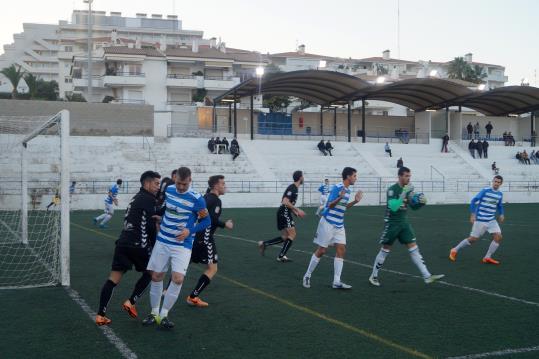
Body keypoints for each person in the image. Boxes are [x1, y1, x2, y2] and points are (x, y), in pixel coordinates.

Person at [142, 167, 211, 329]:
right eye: (179, 183)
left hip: (182, 245)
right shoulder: (170, 190)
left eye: (184, 184)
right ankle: (153, 313)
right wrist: (163, 217)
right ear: (175, 180)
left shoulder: (197, 199)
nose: (181, 187)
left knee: (178, 279)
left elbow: (206, 221)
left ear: (190, 181)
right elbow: (170, 209)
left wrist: (189, 231)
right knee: (156, 276)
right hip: (163, 240)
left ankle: (164, 314)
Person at [95, 171, 161, 326]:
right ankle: (131, 302)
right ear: (147, 183)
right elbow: (151, 226)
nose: (158, 187)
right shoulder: (149, 199)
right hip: (139, 244)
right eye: (156, 183)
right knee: (153, 274)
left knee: (113, 279)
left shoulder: (136, 198)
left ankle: (100, 315)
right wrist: (157, 245)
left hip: (123, 243)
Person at [368, 167, 445, 287]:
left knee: (414, 248)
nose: (408, 178)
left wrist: (420, 203)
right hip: (392, 223)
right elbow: (393, 207)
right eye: (406, 176)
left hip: (404, 223)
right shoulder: (392, 190)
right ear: (400, 176)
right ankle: (374, 276)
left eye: (409, 176)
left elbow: (413, 207)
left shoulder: (408, 190)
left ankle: (427, 276)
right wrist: (405, 192)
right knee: (385, 250)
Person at [302, 167, 363, 290]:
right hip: (328, 222)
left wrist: (355, 201)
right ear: (348, 176)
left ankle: (336, 281)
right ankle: (307, 275)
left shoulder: (348, 190)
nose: (356, 178)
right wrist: (340, 197)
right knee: (321, 251)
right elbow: (329, 205)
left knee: (341, 250)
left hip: (339, 225)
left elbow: (343, 208)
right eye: (355, 176)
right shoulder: (337, 187)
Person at [186, 175, 234, 307]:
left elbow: (199, 213)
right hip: (204, 238)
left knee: (184, 265)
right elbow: (211, 219)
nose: (225, 186)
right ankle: (193, 297)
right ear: (215, 186)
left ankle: (167, 290)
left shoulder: (205, 197)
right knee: (212, 268)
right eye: (223, 184)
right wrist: (226, 224)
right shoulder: (215, 200)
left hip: (195, 236)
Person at [449, 176, 505, 265]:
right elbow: (473, 201)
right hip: (480, 219)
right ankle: (454, 250)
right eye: (495, 181)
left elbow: (499, 205)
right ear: (493, 181)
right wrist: (472, 214)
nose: (496, 183)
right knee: (473, 239)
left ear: (501, 184)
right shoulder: (485, 191)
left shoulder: (500, 194)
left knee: (498, 237)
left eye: (498, 182)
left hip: (491, 220)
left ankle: (487, 257)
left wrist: (501, 214)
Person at [258, 170, 306, 262]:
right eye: (303, 176)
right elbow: (285, 201)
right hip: (284, 212)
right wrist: (297, 209)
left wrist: (294, 212)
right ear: (300, 178)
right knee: (292, 234)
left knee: (285, 236)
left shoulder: (294, 188)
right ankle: (281, 256)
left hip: (283, 212)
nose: (303, 178)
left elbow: (287, 203)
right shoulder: (293, 188)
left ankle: (264, 244)